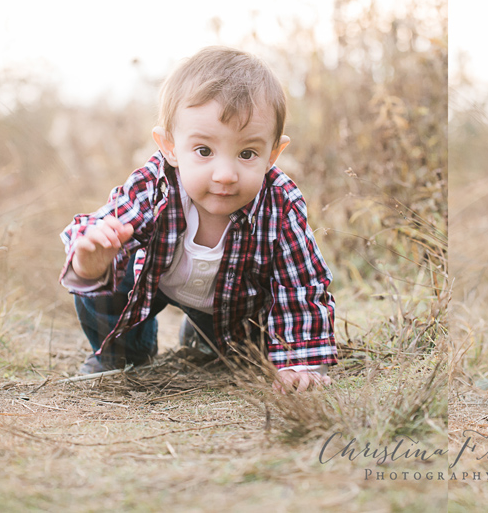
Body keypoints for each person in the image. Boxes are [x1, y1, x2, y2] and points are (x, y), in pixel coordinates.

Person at [60, 47, 335, 389]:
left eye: (247, 153)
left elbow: (300, 284)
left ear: (273, 154)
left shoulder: (280, 204)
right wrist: (89, 261)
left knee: (244, 353)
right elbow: (101, 224)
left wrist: (301, 363)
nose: (224, 174)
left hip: (237, 305)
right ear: (170, 147)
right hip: (156, 283)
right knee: (105, 260)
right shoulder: (154, 185)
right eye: (204, 151)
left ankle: (206, 334)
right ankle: (123, 352)